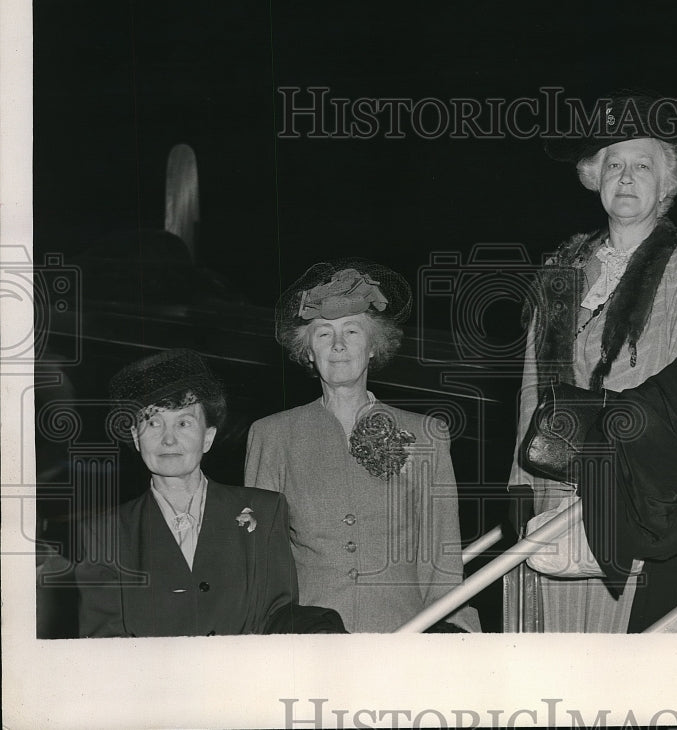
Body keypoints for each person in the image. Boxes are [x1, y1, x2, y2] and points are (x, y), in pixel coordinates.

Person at [508, 93, 677, 632]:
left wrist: (607, 448)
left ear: (667, 183)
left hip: (636, 486)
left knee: (623, 648)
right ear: (594, 177)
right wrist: (522, 486)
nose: (626, 178)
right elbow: (532, 392)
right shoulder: (559, 275)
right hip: (555, 483)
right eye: (613, 164)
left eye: (642, 166)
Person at [244, 260, 480, 633]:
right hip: (308, 636)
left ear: (372, 347)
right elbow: (260, 559)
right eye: (324, 334)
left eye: (352, 332)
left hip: (402, 634)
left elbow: (441, 557)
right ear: (308, 352)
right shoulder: (271, 435)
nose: (338, 345)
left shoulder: (426, 434)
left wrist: (450, 633)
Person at [76, 348, 346, 637]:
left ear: (207, 437)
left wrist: (319, 630)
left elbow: (277, 615)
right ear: (135, 437)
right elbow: (103, 645)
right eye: (153, 422)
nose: (168, 439)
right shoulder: (103, 535)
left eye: (183, 423)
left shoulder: (265, 511)